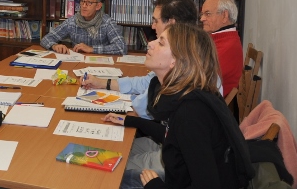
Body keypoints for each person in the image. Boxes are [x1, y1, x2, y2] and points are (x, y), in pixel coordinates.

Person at [103, 23, 254, 189]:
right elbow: (175, 138)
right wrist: (131, 121)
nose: (150, 43)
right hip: (177, 180)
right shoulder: (185, 95)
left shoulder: (191, 112)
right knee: (109, 172)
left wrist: (156, 186)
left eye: (161, 43)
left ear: (176, 60)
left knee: (106, 179)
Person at [81, 0, 199, 118]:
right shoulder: (190, 53)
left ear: (171, 23)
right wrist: (102, 82)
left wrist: (118, 98)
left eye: (156, 21)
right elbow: (145, 83)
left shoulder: (184, 65)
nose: (153, 26)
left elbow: (142, 107)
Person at [40, 0, 125, 55]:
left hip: (101, 65)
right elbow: (46, 39)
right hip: (78, 63)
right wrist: (54, 46)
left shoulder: (107, 23)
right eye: (82, 1)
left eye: (89, 2)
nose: (84, 6)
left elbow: (121, 47)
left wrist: (91, 49)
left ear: (98, 6)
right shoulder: (72, 21)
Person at [200, 0, 243, 97]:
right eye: (202, 14)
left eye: (207, 14)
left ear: (224, 16)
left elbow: (203, 80)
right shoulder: (223, 39)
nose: (202, 18)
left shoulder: (228, 46)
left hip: (211, 103)